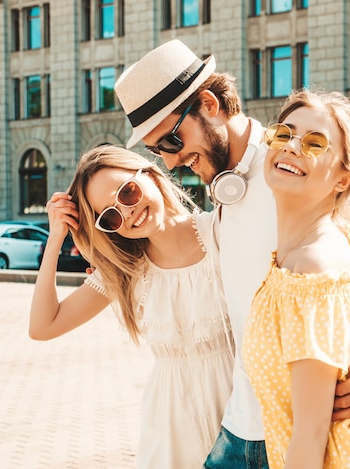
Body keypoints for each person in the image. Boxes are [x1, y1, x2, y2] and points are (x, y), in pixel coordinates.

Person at [114, 39, 350, 467]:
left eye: (172, 142)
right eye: (158, 151)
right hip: (238, 433)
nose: (171, 163)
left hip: (306, 440)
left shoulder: (307, 164)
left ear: (209, 104)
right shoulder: (226, 185)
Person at [28, 145, 234, 469]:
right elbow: (43, 326)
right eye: (110, 216)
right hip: (171, 432)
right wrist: (56, 240)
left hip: (241, 413)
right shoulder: (128, 272)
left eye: (128, 192)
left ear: (149, 175)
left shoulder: (224, 231)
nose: (127, 212)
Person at [243, 89, 350, 468]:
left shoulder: (313, 269)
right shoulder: (315, 249)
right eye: (284, 134)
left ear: (343, 179)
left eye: (315, 143)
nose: (291, 147)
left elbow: (311, 432)